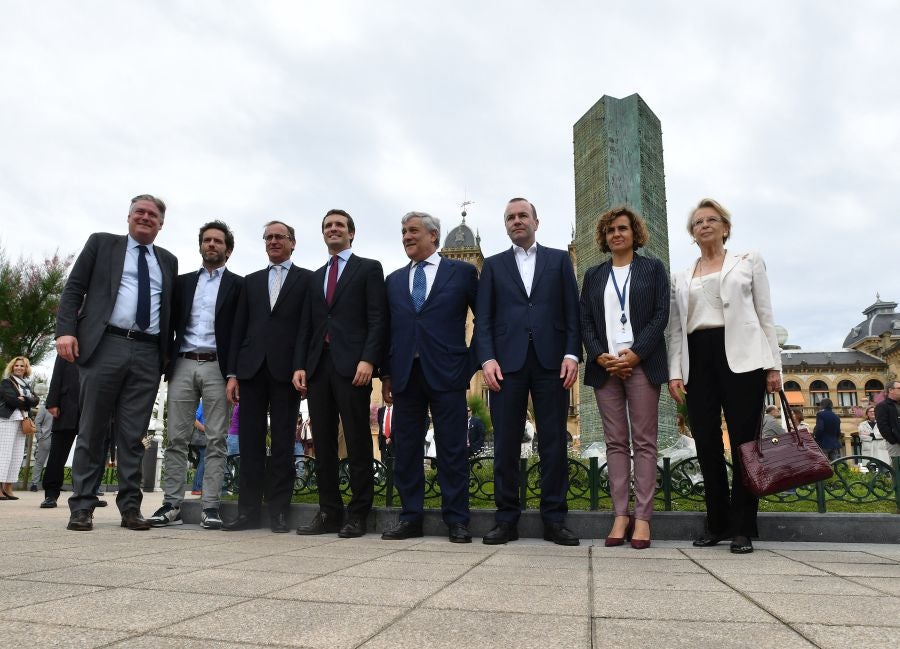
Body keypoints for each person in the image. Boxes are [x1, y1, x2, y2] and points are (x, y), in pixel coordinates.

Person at [55, 194, 178, 531]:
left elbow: (171, 309)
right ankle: (82, 506)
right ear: (128, 217)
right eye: (139, 212)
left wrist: (165, 354)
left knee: (135, 435)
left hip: (147, 353)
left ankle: (130, 508)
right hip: (105, 344)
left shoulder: (168, 260)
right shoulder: (102, 244)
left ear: (161, 224)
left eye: (153, 215)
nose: (146, 218)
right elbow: (74, 288)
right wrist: (65, 330)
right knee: (92, 428)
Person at [667, 197, 782, 555]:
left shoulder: (748, 262)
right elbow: (674, 329)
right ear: (692, 233)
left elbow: (765, 313)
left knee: (745, 443)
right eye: (698, 222)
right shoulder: (681, 277)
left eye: (711, 220)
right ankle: (716, 523)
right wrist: (674, 372)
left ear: (725, 227)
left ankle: (743, 527)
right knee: (706, 444)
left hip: (743, 359)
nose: (704, 225)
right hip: (697, 358)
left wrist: (774, 365)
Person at [475, 197, 582, 546]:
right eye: (510, 217)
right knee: (505, 444)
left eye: (523, 215)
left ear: (536, 221)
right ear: (505, 225)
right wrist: (487, 358)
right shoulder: (492, 265)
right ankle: (506, 520)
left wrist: (572, 353)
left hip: (552, 362)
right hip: (506, 366)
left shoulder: (559, 260)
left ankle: (554, 520)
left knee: (554, 443)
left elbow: (572, 312)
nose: (516, 221)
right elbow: (484, 319)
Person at [380, 211, 479, 543]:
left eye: (413, 231)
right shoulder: (393, 280)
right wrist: (386, 374)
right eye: (403, 231)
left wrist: (470, 363)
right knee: (406, 448)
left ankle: (457, 520)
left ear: (433, 236)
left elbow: (485, 321)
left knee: (452, 448)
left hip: (449, 373)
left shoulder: (463, 273)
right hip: (406, 375)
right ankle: (410, 517)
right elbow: (386, 331)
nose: (406, 236)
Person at [293, 209, 387, 539]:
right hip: (319, 367)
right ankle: (329, 511)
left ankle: (358, 513)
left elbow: (377, 318)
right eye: (328, 226)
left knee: (359, 439)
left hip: (354, 369)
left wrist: (369, 360)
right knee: (323, 443)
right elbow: (307, 325)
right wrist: (300, 365)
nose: (333, 230)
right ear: (323, 234)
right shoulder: (315, 276)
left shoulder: (368, 268)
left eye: (339, 225)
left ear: (352, 233)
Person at [580, 206, 669, 550]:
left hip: (642, 364)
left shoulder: (652, 269)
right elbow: (585, 317)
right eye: (611, 230)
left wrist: (637, 352)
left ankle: (643, 518)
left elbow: (661, 313)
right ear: (604, 238)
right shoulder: (594, 275)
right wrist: (599, 353)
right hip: (605, 368)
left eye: (623, 228)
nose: (617, 234)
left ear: (634, 234)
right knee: (615, 442)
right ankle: (621, 514)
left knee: (644, 442)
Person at [148, 221, 242, 531]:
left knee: (216, 439)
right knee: (176, 437)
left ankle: (210, 506)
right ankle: (171, 503)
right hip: (184, 363)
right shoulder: (183, 283)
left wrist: (234, 374)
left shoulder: (238, 286)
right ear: (200, 245)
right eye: (206, 240)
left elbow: (241, 332)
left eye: (217, 241)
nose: (211, 244)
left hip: (218, 366)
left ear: (227, 249)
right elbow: (167, 322)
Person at [224, 221, 311, 533]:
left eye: (280, 237)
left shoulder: (307, 280)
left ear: (293, 242)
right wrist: (233, 373)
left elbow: (307, 329)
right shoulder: (251, 282)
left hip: (287, 371)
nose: (274, 241)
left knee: (285, 442)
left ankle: (279, 511)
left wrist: (303, 366)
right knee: (249, 442)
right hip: (250, 370)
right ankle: (247, 511)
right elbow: (239, 329)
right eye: (269, 237)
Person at [1, 356, 39, 500]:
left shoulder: (26, 384)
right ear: (12, 367)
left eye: (22, 366)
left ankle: (8, 487)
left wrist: (26, 400)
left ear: (26, 368)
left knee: (16, 456)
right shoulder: (6, 382)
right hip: (7, 420)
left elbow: (36, 400)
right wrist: (27, 401)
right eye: (16, 365)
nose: (19, 368)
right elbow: (12, 400)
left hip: (21, 421)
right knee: (4, 455)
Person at [29, 402, 54, 491]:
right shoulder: (44, 407)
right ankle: (34, 484)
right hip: (46, 437)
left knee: (56, 462)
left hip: (59, 438)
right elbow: (37, 422)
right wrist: (40, 437)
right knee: (40, 461)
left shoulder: (64, 407)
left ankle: (53, 485)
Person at [874, 381, 900, 463]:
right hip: (895, 444)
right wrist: (893, 441)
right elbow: (882, 426)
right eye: (899, 388)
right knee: (897, 468)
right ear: (891, 390)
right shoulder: (882, 406)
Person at [190, 403, 207, 495]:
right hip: (203, 437)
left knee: (204, 461)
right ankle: (197, 488)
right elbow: (193, 419)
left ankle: (197, 487)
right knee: (204, 461)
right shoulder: (203, 403)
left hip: (206, 437)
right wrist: (205, 429)